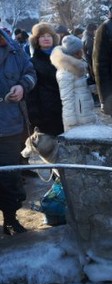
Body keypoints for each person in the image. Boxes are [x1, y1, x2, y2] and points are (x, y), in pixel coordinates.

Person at [0, 28, 37, 235]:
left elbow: (30, 72)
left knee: (9, 177)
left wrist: (22, 87)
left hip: (10, 125)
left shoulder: (14, 49)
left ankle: (10, 219)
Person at [50, 35, 97, 131]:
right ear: (74, 52)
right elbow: (67, 98)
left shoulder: (79, 65)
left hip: (85, 110)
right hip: (78, 114)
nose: (82, 51)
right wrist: (70, 123)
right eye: (80, 49)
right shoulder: (65, 71)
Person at [27, 22, 64, 136]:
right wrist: (35, 117)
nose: (46, 38)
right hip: (46, 112)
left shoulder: (64, 58)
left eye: (49, 36)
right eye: (42, 36)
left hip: (67, 108)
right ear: (36, 40)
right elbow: (31, 94)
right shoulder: (32, 63)